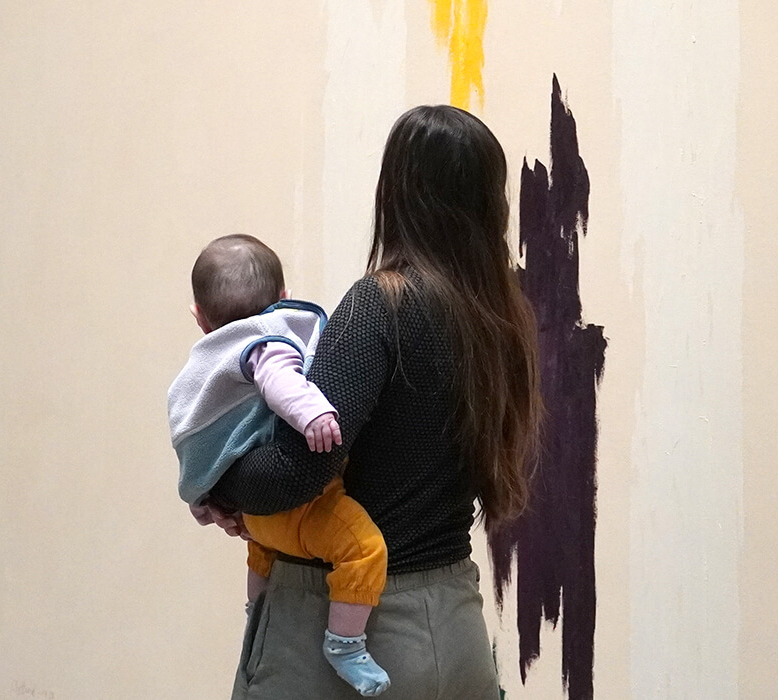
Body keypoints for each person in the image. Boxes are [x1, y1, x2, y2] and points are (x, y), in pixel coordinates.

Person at [197, 104, 541, 700]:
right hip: (455, 627)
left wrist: (215, 484)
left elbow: (297, 471)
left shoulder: (380, 305)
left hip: (349, 638)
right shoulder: (500, 318)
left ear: (397, 192)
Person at [167, 234, 392, 696]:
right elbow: (279, 379)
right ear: (283, 299)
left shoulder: (207, 361)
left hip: (255, 524)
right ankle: (345, 644)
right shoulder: (265, 342)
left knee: (262, 550)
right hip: (299, 516)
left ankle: (258, 610)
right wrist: (312, 413)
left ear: (199, 318)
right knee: (364, 549)